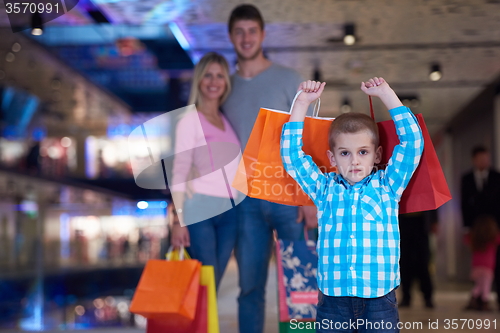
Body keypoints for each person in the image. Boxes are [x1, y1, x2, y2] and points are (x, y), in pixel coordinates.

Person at [281, 77, 423, 332]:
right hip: (332, 302)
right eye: (345, 153)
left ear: (377, 155)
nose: (354, 161)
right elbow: (292, 157)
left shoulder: (388, 186)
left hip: (379, 299)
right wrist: (301, 103)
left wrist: (386, 94)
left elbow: (413, 143)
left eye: (363, 152)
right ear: (332, 158)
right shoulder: (324, 190)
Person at [222, 5, 317, 333]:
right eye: (239, 32)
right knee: (249, 288)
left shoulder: (289, 80)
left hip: (288, 196)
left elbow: (308, 138)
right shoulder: (225, 87)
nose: (246, 38)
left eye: (252, 31)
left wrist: (308, 197)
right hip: (244, 201)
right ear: (231, 37)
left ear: (262, 35)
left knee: (301, 284)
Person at [170, 52, 240, 289]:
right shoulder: (190, 120)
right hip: (200, 209)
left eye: (220, 76)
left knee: (213, 283)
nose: (214, 81)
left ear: (226, 82)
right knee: (204, 284)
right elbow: (179, 171)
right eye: (208, 75)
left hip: (229, 211)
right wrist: (178, 221)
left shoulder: (225, 119)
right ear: (199, 80)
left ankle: (205, 324)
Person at [461, 146, 500, 310]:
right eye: (481, 158)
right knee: (479, 264)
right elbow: (464, 204)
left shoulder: (496, 177)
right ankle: (478, 297)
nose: (484, 161)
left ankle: (490, 297)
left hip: (494, 226)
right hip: (476, 227)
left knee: (495, 263)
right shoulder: (467, 179)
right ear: (474, 160)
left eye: (486, 158)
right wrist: (467, 228)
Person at [398, 211, 437, 309]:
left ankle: (428, 297)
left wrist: (434, 221)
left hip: (421, 224)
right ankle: (406, 296)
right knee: (405, 262)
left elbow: (432, 206)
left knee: (423, 262)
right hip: (403, 222)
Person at [463, 215, 500, 311]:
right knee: (486, 286)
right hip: (487, 268)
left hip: (476, 268)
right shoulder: (492, 239)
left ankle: (473, 299)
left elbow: (465, 239)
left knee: (479, 286)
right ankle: (485, 303)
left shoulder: (475, 240)